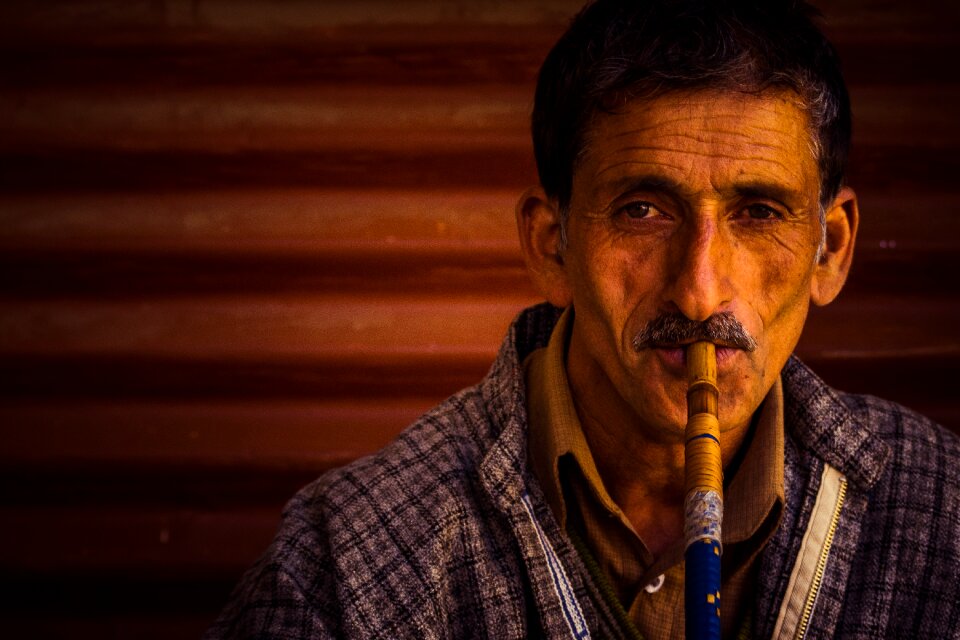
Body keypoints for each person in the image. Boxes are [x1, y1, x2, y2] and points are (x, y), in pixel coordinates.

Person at [206, 1, 960, 638]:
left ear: (830, 249)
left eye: (759, 213)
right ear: (550, 245)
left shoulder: (944, 513)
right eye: (642, 211)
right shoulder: (346, 568)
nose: (699, 294)